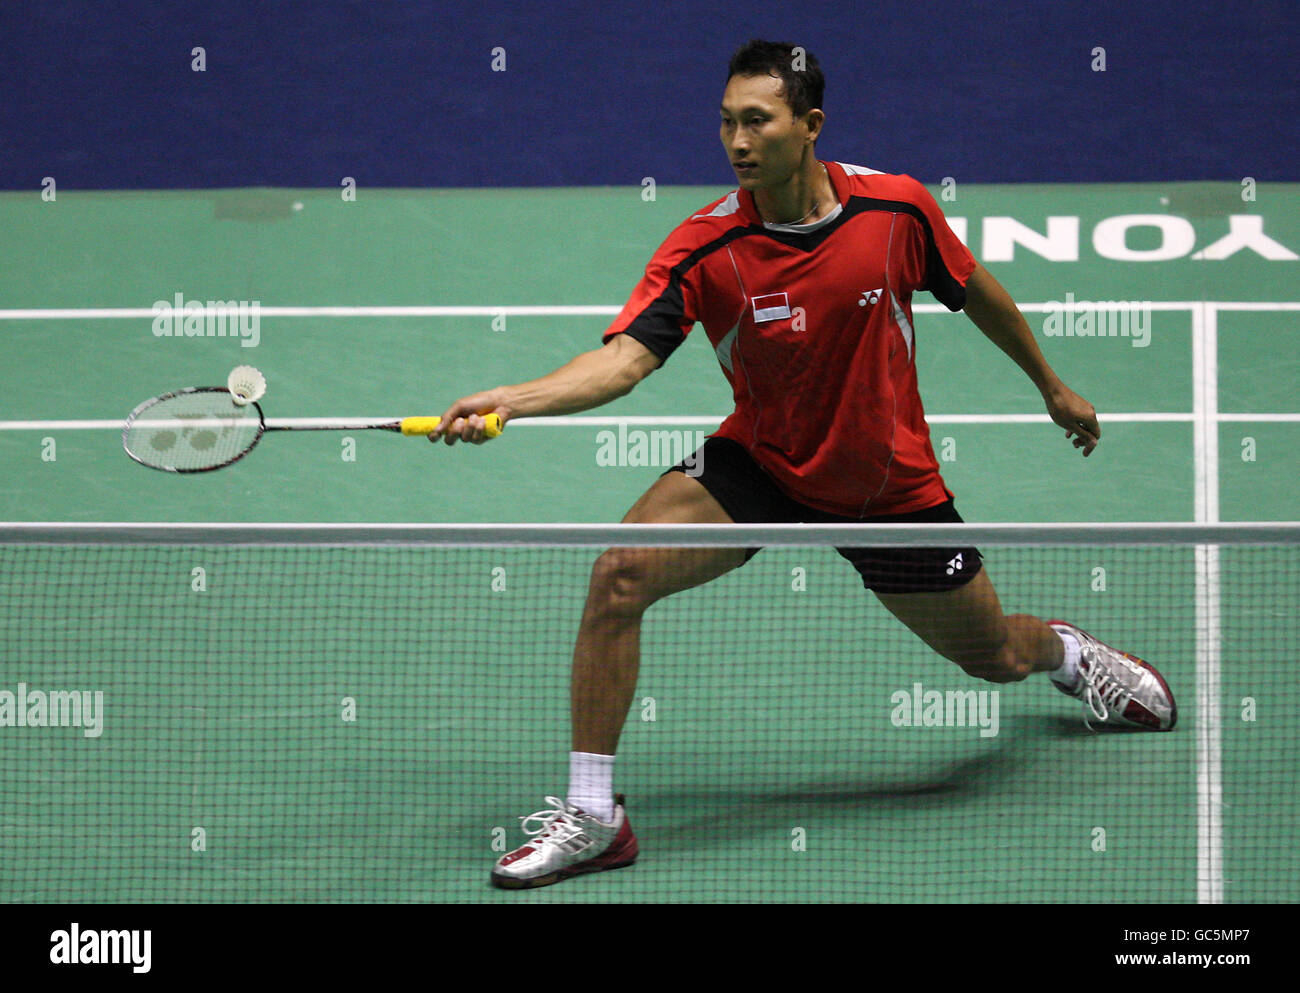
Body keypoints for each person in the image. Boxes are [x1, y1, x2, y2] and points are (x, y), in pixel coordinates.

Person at [433, 39, 1178, 890]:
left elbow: (976, 292)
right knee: (619, 575)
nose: (737, 143)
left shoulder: (894, 213)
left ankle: (1073, 657)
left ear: (810, 124)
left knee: (994, 656)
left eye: (757, 121)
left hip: (886, 489)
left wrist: (1052, 385)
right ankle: (596, 814)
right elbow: (626, 360)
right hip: (764, 465)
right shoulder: (706, 248)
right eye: (725, 123)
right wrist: (513, 400)